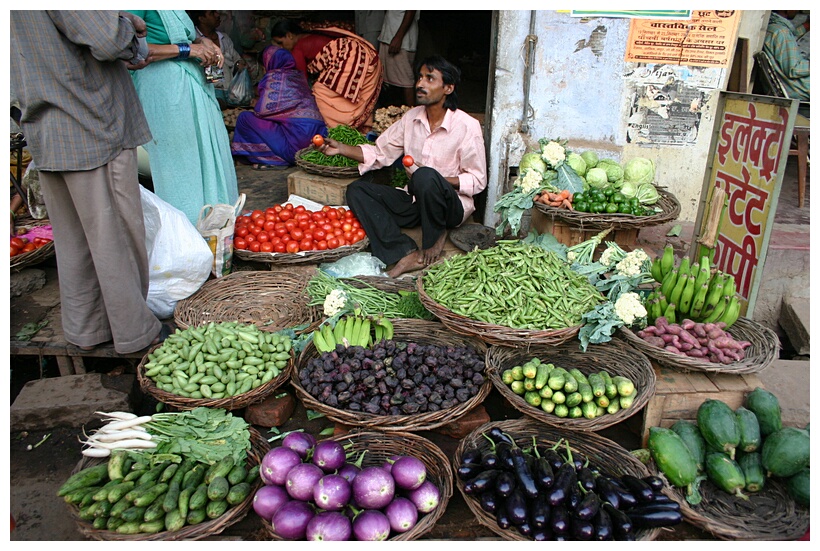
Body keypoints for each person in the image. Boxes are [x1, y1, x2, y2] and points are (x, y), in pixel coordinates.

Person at [10, 10, 170, 353]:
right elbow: (107, 37)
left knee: (74, 239)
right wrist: (131, 24)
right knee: (115, 235)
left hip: (46, 124)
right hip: (90, 121)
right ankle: (134, 332)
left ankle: (87, 329)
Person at [320, 55, 486, 278]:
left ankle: (433, 242)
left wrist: (439, 182)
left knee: (426, 176)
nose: (420, 84)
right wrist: (342, 148)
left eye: (429, 79)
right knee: (358, 191)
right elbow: (379, 152)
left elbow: (477, 180)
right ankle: (402, 250)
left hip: (450, 207)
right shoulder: (411, 118)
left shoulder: (467, 126)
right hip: (416, 201)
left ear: (448, 88)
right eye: (419, 78)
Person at [126, 10, 239, 225]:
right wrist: (189, 50)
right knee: (178, 164)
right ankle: (186, 232)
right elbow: (130, 50)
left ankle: (215, 226)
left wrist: (204, 42)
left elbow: (187, 36)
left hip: (191, 85)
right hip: (164, 90)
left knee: (203, 155)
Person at [270, 19, 383, 132]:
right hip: (362, 54)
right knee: (358, 93)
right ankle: (359, 126)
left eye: (281, 43)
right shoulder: (310, 35)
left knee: (320, 96)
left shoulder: (298, 48)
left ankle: (336, 128)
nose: (281, 48)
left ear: (289, 35)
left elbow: (301, 81)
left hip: (350, 56)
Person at [230, 44, 327, 169]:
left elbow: (262, 111)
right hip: (314, 143)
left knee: (245, 118)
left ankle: (275, 159)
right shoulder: (299, 77)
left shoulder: (274, 77)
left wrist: (256, 102)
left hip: (295, 145)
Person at [188, 10, 246, 107]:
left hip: (231, 90)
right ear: (201, 19)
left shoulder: (224, 38)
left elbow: (236, 59)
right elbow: (213, 76)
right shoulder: (194, 40)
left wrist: (239, 64)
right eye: (211, 13)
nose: (217, 15)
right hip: (211, 92)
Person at [763, 10, 810, 102]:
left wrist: (806, 26)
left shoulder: (773, 28)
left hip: (788, 86)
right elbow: (794, 69)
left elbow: (790, 40)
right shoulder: (781, 32)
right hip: (796, 89)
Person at [378, 11, 421, 107]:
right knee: (386, 79)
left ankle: (413, 114)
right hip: (389, 36)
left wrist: (399, 37)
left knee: (406, 80)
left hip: (401, 41)